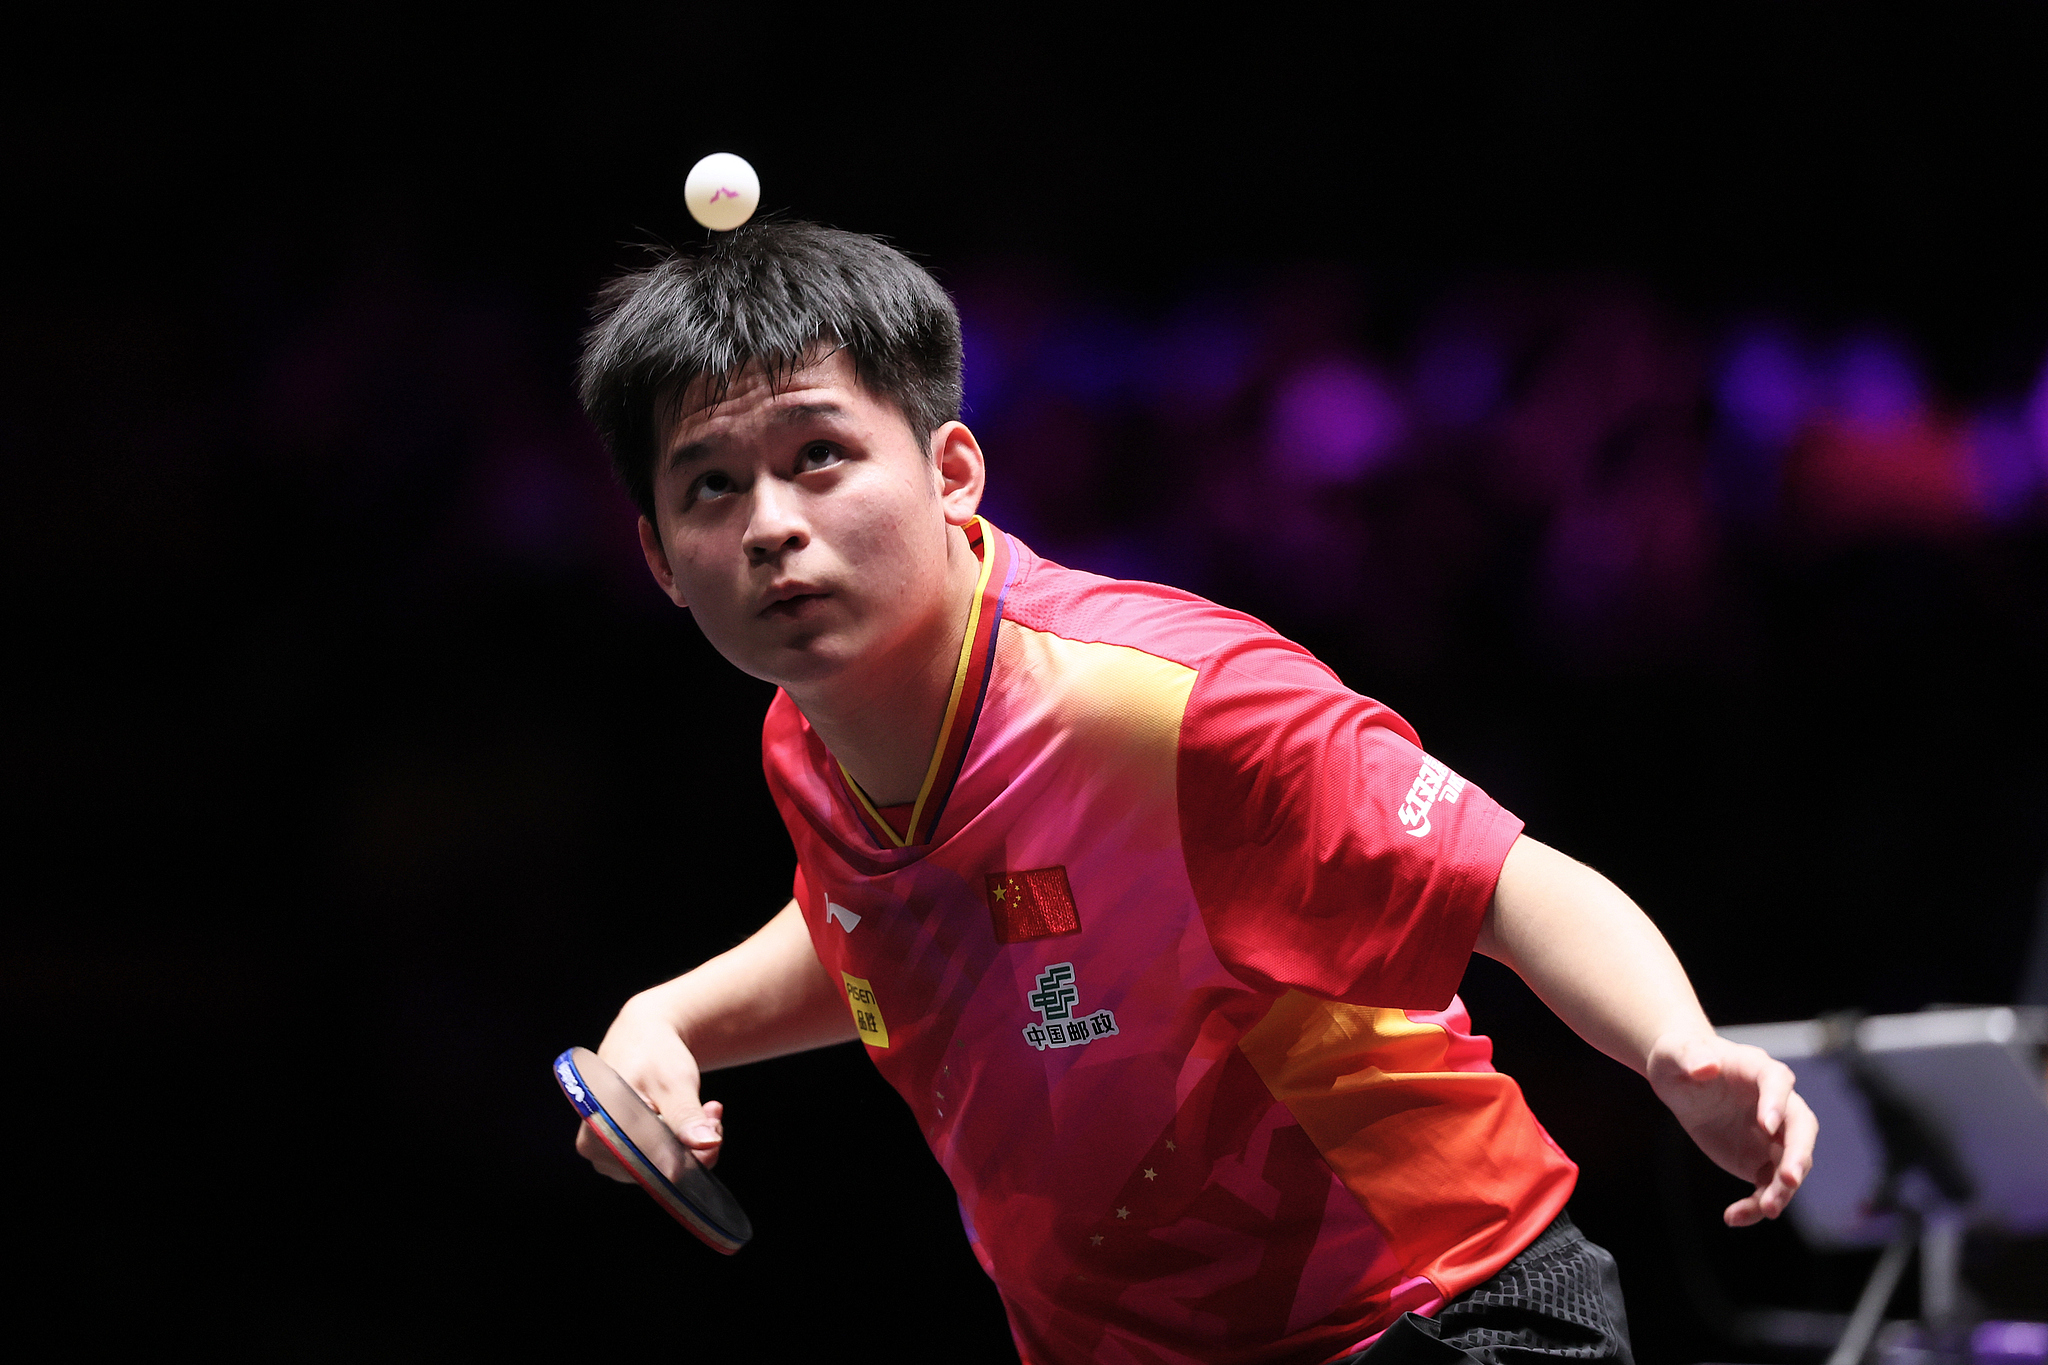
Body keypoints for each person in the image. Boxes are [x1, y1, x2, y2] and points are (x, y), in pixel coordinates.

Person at [571, 222, 1816, 1365]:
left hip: (1434, 1314)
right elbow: (887, 931)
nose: (772, 526)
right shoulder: (805, 735)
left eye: (820, 457)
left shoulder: (1164, 704)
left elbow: (1502, 878)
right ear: (658, 558)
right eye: (711, 488)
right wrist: (668, 1019)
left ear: (953, 471)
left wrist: (1675, 1046)